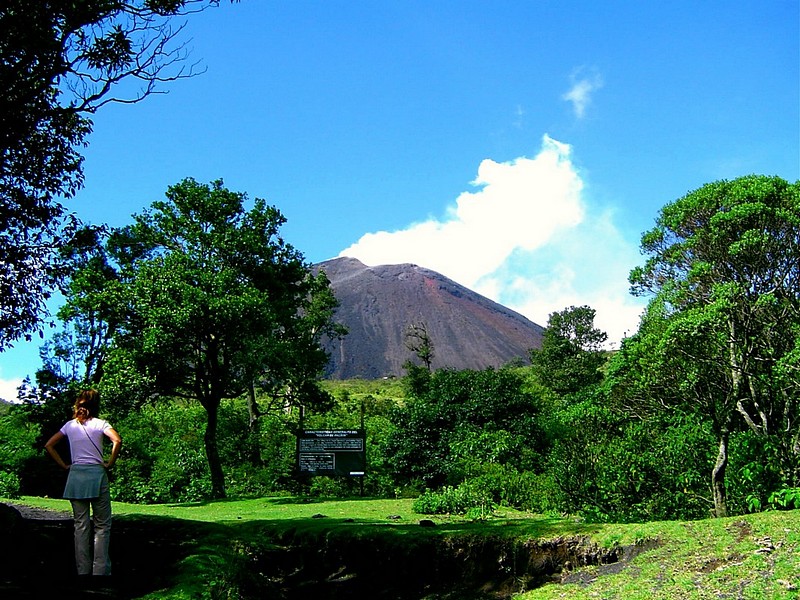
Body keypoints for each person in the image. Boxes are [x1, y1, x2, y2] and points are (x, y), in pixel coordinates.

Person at [45, 389, 122, 578]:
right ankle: (100, 571)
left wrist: (64, 465)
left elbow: (49, 445)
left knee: (80, 525)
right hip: (97, 474)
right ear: (95, 405)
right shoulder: (100, 423)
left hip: (76, 475)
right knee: (102, 525)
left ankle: (83, 571)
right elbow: (117, 440)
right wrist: (110, 463)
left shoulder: (69, 426)